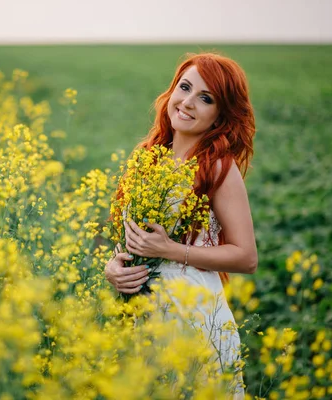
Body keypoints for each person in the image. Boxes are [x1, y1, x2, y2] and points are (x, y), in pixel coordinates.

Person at [104, 52, 257, 397]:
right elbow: (130, 239)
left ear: (221, 114)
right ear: (171, 91)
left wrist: (170, 250)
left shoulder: (218, 167)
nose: (188, 102)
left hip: (194, 317)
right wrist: (114, 267)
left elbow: (246, 257)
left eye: (206, 98)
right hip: (143, 314)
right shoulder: (146, 156)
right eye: (184, 88)